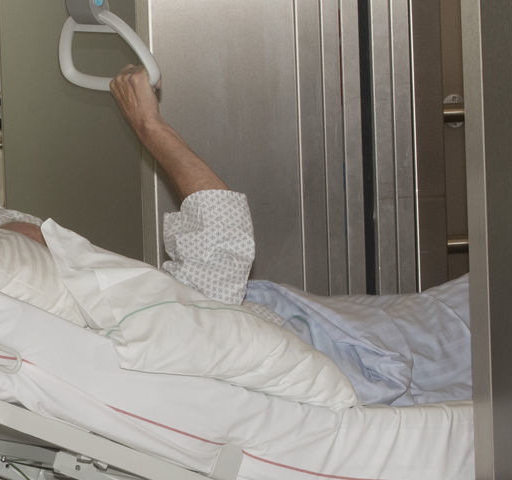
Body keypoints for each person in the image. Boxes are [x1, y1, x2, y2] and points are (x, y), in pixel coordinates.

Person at [105, 65, 472, 407]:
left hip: (371, 328)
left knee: (486, 304)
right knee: (497, 330)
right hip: (380, 360)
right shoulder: (126, 326)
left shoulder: (90, 298)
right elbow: (219, 246)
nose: (48, 228)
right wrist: (149, 126)